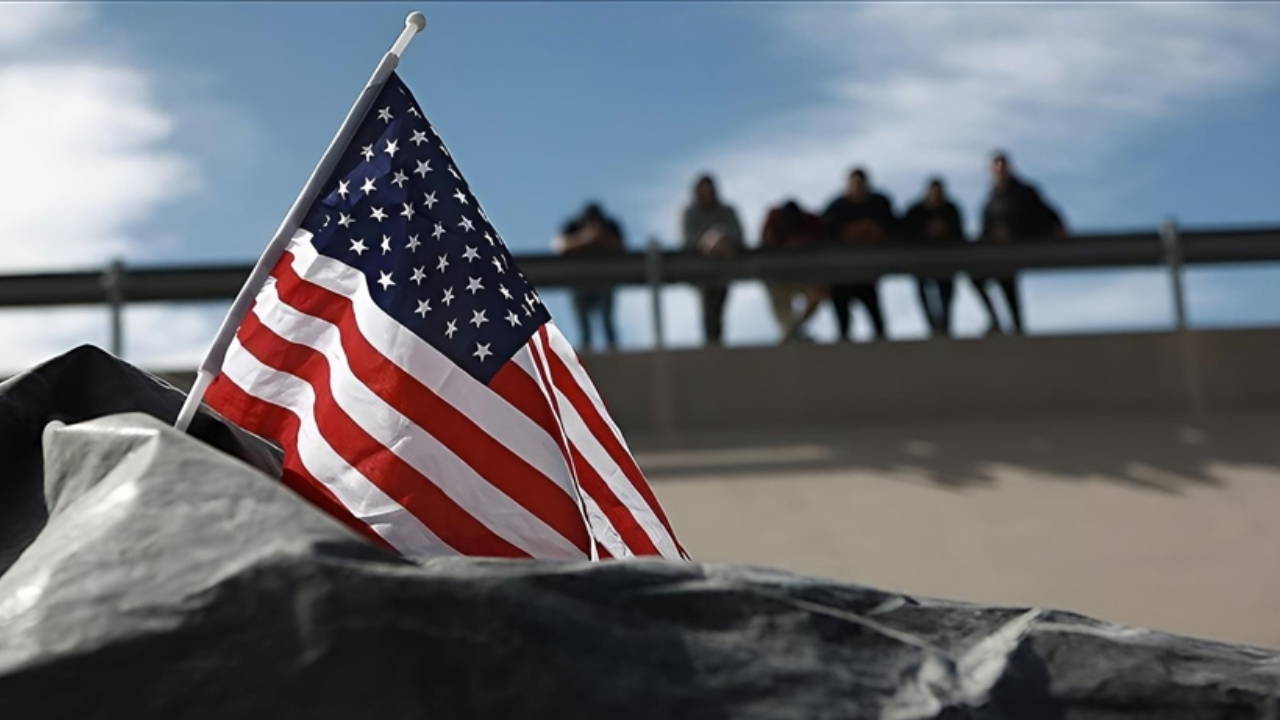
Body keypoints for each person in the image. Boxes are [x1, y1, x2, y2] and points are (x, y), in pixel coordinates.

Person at [976, 151, 1066, 335]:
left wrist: (1058, 229)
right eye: (996, 165)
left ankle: (1017, 327)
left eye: (1003, 164)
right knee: (983, 276)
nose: (1000, 169)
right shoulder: (991, 198)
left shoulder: (1024, 191)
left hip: (1023, 245)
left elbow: (1047, 213)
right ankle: (998, 321)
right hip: (999, 252)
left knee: (1007, 281)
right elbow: (985, 227)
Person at [823, 168, 895, 341]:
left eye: (860, 184)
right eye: (853, 184)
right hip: (841, 273)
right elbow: (825, 231)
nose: (857, 188)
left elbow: (893, 227)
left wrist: (873, 231)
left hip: (867, 271)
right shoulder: (837, 206)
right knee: (843, 322)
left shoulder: (879, 203)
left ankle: (882, 344)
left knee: (876, 318)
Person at [681, 174, 745, 346]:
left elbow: (738, 235)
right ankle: (711, 344)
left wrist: (723, 240)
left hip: (725, 267)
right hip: (701, 271)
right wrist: (708, 242)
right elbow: (689, 240)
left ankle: (716, 343)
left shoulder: (727, 211)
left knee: (719, 306)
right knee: (708, 309)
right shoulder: (690, 213)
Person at [555, 202, 625, 351]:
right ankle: (587, 352)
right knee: (584, 326)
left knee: (607, 322)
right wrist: (585, 238)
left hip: (604, 280)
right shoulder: (574, 226)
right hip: (579, 282)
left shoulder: (609, 226)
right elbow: (560, 246)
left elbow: (621, 247)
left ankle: (612, 351)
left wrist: (601, 238)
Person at [902, 177, 965, 338]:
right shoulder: (916, 211)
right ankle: (932, 325)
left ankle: (945, 325)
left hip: (946, 261)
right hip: (921, 261)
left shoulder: (950, 209)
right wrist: (925, 233)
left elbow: (959, 234)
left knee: (946, 291)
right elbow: (905, 234)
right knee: (922, 290)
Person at [760, 200, 827, 342]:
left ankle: (793, 331)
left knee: (819, 291)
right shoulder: (774, 220)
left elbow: (822, 244)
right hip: (780, 277)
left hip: (807, 275)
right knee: (777, 296)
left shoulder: (811, 222)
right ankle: (790, 332)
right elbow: (766, 246)